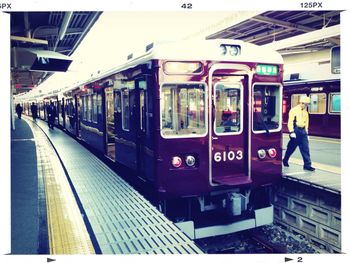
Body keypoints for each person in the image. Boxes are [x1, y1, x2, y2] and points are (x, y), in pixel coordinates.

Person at [283, 96, 315, 171]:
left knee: (305, 149)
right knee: (291, 148)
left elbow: (306, 123)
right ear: (302, 103)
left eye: (307, 104)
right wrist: (291, 131)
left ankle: (307, 165)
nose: (306, 106)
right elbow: (290, 121)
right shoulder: (293, 110)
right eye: (306, 104)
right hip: (296, 130)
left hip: (303, 131)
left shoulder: (306, 112)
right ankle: (285, 159)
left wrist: (306, 133)